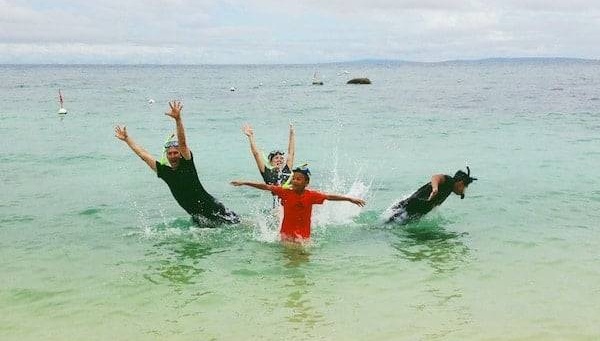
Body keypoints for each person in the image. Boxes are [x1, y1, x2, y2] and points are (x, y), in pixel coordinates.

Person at [115, 101, 239, 225]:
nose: (173, 155)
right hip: (198, 217)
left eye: (176, 152)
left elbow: (183, 143)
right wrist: (127, 139)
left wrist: (178, 120)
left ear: (180, 154)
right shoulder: (165, 172)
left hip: (214, 209)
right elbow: (144, 155)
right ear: (167, 156)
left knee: (241, 225)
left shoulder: (187, 164)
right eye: (170, 153)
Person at [231, 166, 365, 242]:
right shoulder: (285, 192)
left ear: (306, 182)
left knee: (303, 263)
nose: (294, 181)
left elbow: (329, 197)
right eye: (293, 178)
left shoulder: (311, 195)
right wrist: (244, 182)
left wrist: (349, 199)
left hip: (304, 237)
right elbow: (266, 187)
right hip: (286, 236)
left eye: (298, 179)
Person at [386, 167, 477, 223]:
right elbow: (436, 177)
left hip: (414, 209)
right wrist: (435, 189)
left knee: (390, 224)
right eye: (465, 187)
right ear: (460, 183)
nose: (464, 190)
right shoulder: (449, 181)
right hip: (412, 205)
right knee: (389, 225)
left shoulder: (449, 190)